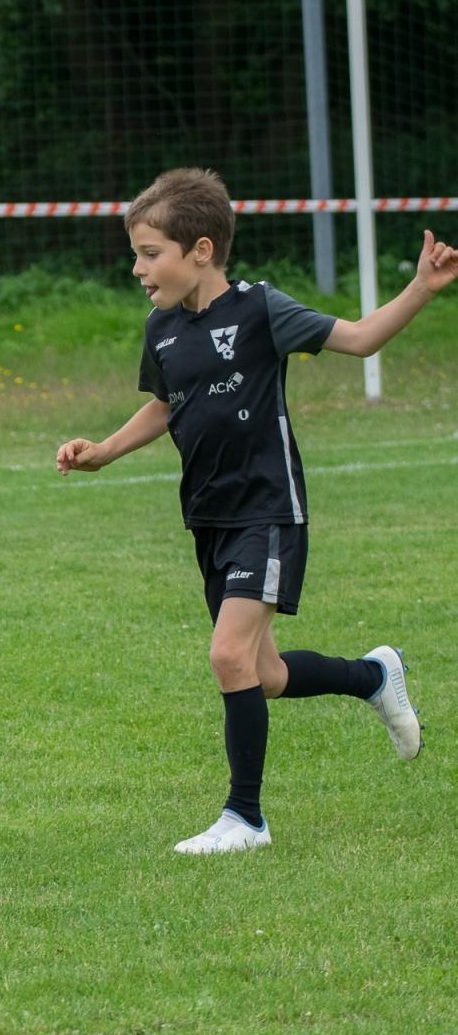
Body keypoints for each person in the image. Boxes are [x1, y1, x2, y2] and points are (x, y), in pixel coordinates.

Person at [55, 168, 457, 855]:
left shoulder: (262, 310)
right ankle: (374, 676)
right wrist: (106, 451)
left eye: (151, 254)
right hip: (208, 517)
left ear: (201, 250)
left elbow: (358, 339)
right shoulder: (161, 329)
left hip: (268, 511)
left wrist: (421, 286)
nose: (137, 268)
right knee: (262, 675)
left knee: (227, 655)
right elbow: (164, 404)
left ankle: (246, 818)